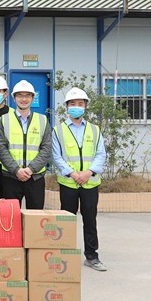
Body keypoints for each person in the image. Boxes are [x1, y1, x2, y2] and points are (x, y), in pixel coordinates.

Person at [52, 87, 107, 272]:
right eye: (73, 104)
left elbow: (100, 154)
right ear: (67, 107)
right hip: (68, 182)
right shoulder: (58, 130)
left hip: (90, 183)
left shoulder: (95, 130)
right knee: (66, 221)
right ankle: (65, 255)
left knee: (90, 220)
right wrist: (73, 174)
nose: (77, 106)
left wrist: (88, 172)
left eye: (80, 104)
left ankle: (92, 256)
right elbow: (56, 156)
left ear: (85, 106)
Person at [0, 80, 52, 209]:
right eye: (20, 95)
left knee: (35, 217)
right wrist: (16, 170)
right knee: (10, 216)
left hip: (35, 177)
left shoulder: (42, 120)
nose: (24, 99)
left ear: (33, 98)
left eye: (27, 95)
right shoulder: (3, 120)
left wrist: (31, 169)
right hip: (11, 177)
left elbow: (46, 148)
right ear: (14, 98)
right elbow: (1, 149)